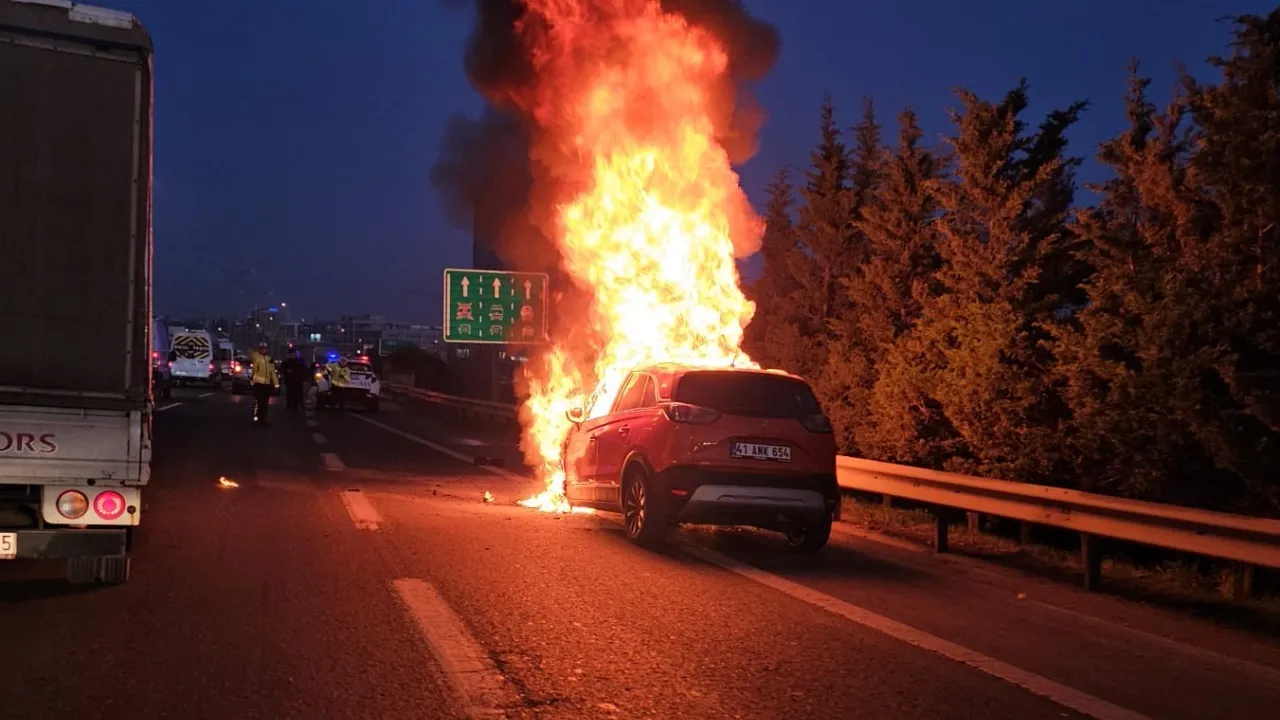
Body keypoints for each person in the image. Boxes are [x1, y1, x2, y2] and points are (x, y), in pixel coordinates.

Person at [250, 342, 280, 426]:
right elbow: (251, 354)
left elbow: (273, 374)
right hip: (258, 384)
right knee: (258, 402)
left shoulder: (269, 359)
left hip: (267, 385)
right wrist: (251, 347)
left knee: (265, 403)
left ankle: (263, 419)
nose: (263, 350)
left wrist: (276, 385)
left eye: (265, 348)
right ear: (259, 349)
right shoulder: (256, 357)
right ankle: (256, 419)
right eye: (261, 348)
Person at [280, 349, 307, 413]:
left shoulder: (299, 362)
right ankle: (289, 407)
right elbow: (282, 370)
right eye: (291, 354)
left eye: (293, 354)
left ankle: (296, 407)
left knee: (297, 394)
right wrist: (287, 372)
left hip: (298, 381)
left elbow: (303, 370)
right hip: (289, 381)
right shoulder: (286, 362)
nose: (292, 356)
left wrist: (303, 378)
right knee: (289, 394)